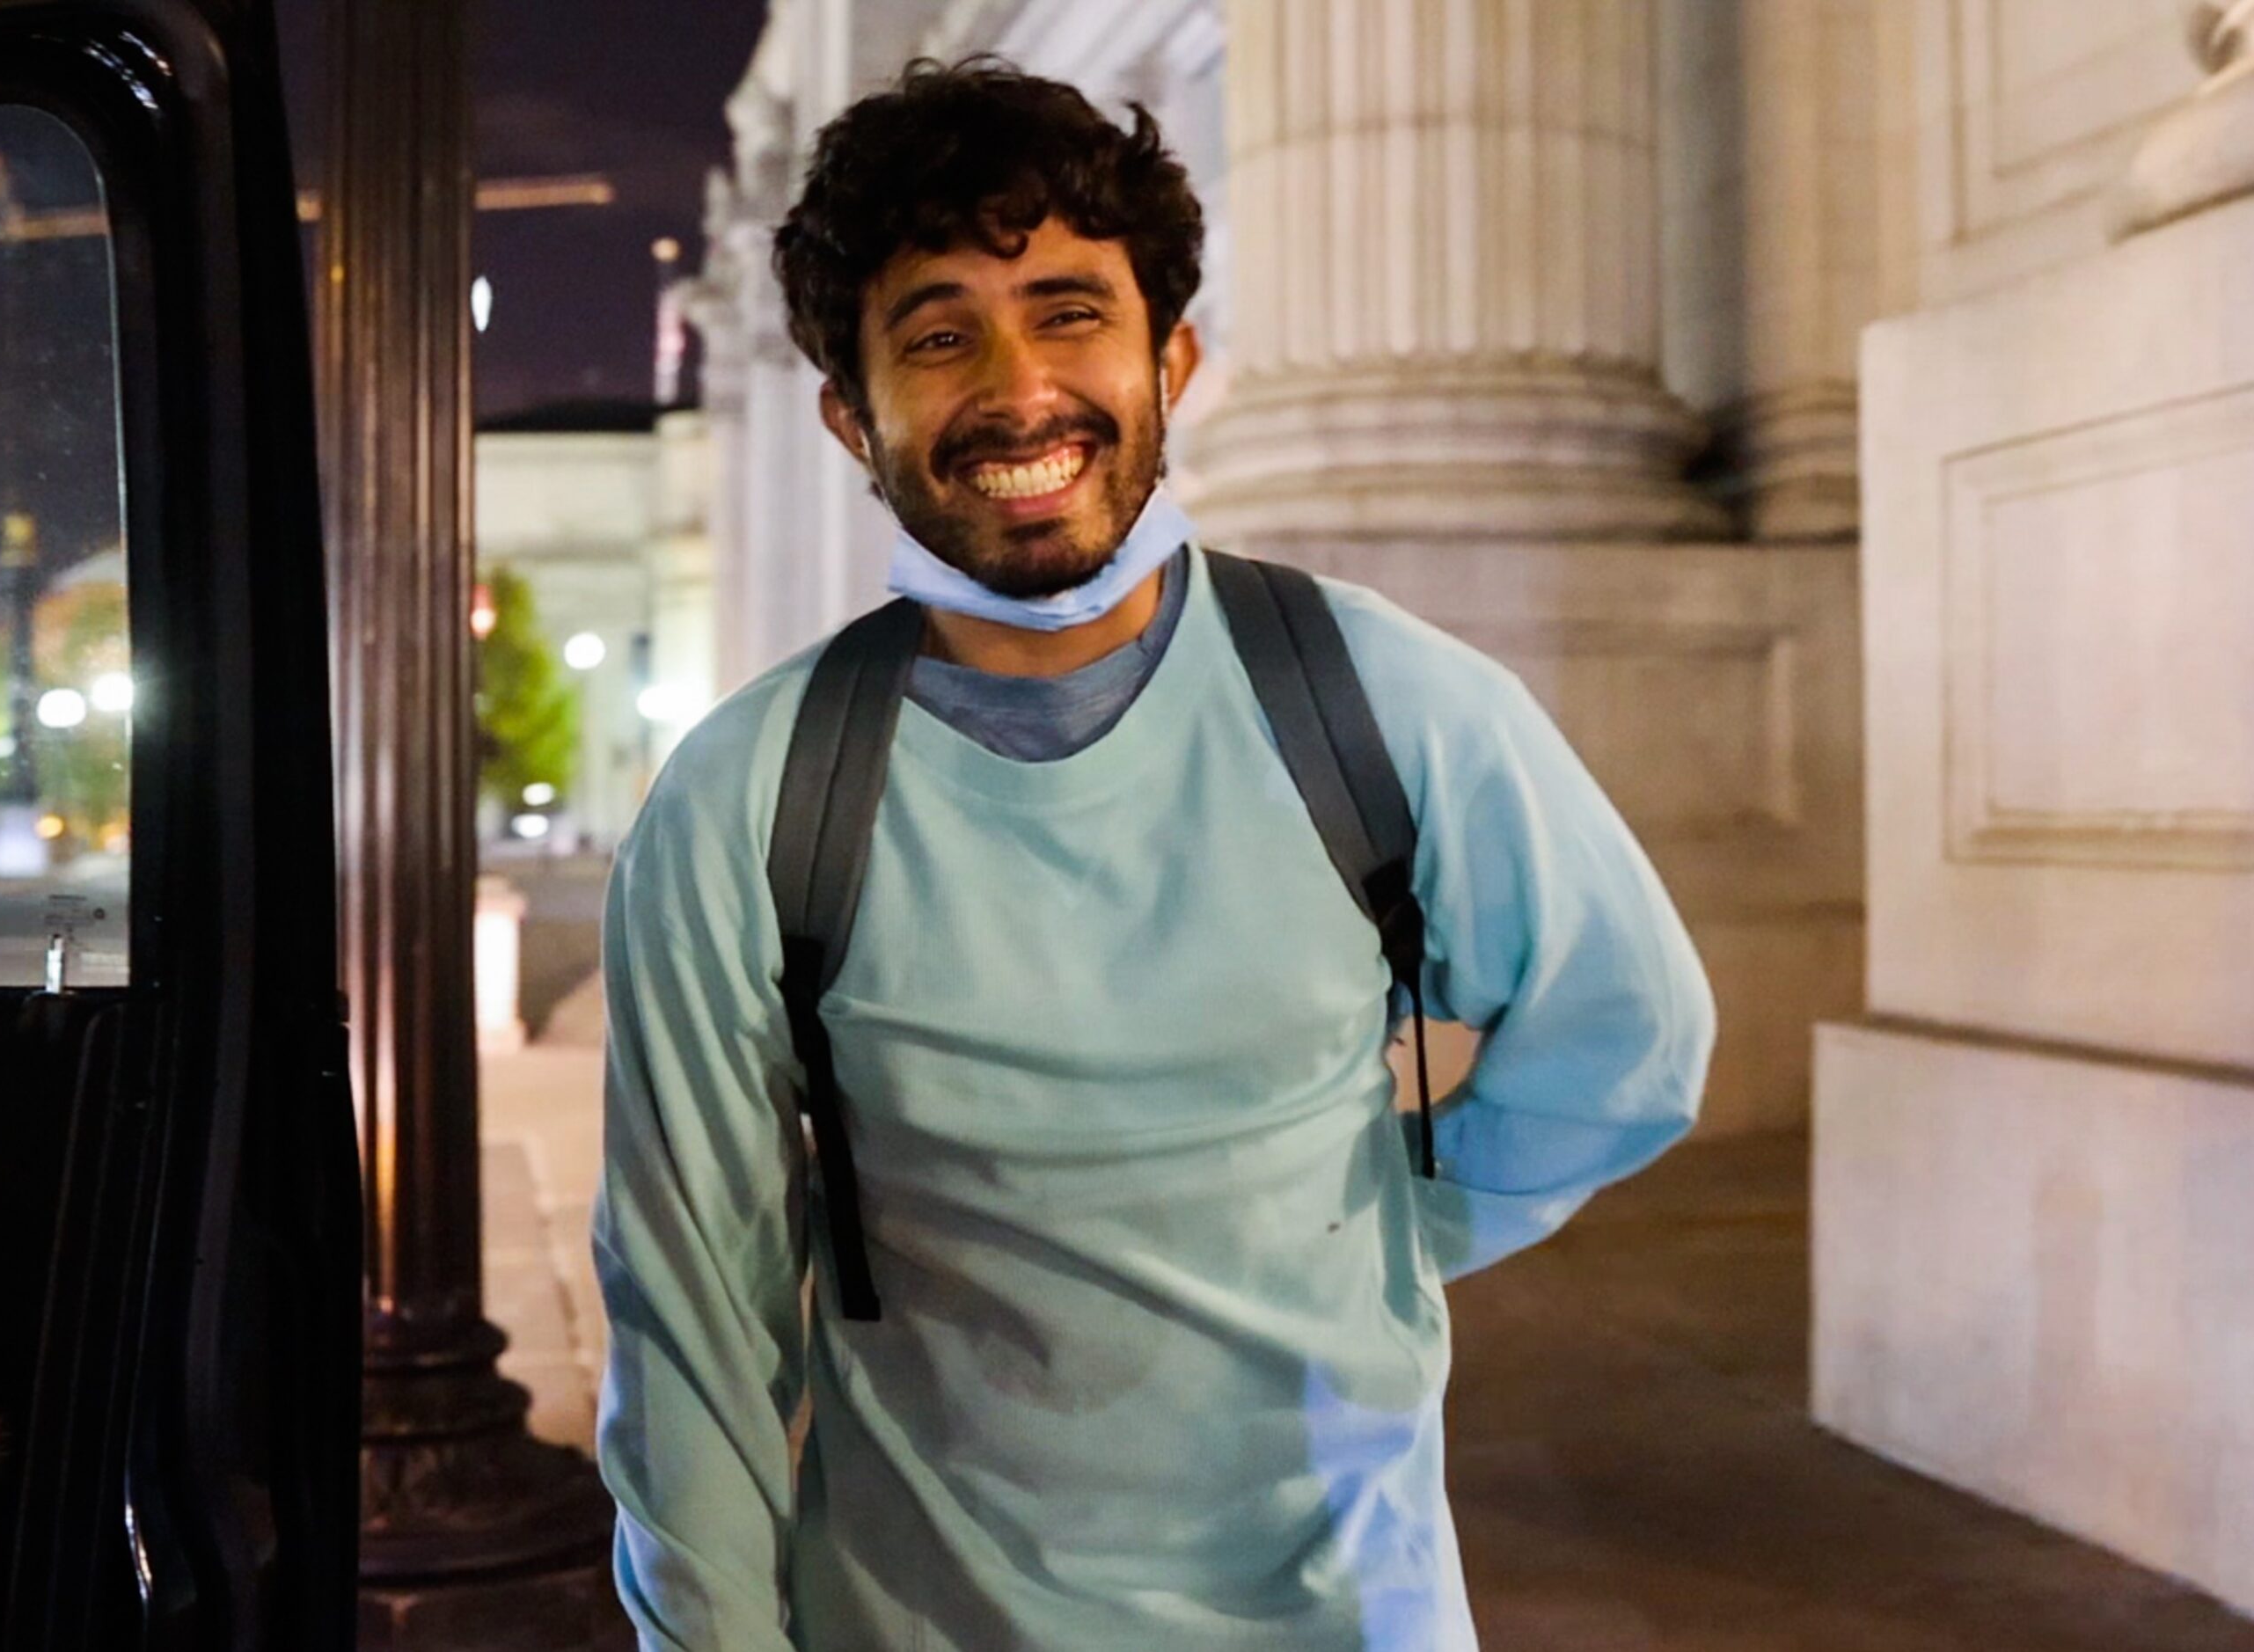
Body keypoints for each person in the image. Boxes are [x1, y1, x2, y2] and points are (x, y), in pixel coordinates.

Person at [593, 57, 1715, 1652]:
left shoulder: (1384, 698)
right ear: (853, 412)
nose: (1018, 385)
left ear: (1171, 358)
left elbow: (1636, 1039)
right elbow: (690, 1316)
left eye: (1070, 311)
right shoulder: (743, 800)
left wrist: (1374, 1226)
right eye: (937, 334)